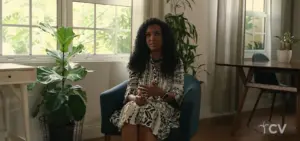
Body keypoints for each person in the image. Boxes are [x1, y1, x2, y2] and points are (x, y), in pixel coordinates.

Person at [110, 18, 184, 141]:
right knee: (131, 108)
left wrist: (160, 93)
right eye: (148, 35)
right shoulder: (138, 60)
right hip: (139, 104)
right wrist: (136, 99)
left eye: (156, 34)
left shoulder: (176, 62)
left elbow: (178, 93)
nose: (152, 38)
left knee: (147, 113)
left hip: (163, 106)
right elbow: (130, 90)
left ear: (164, 37)